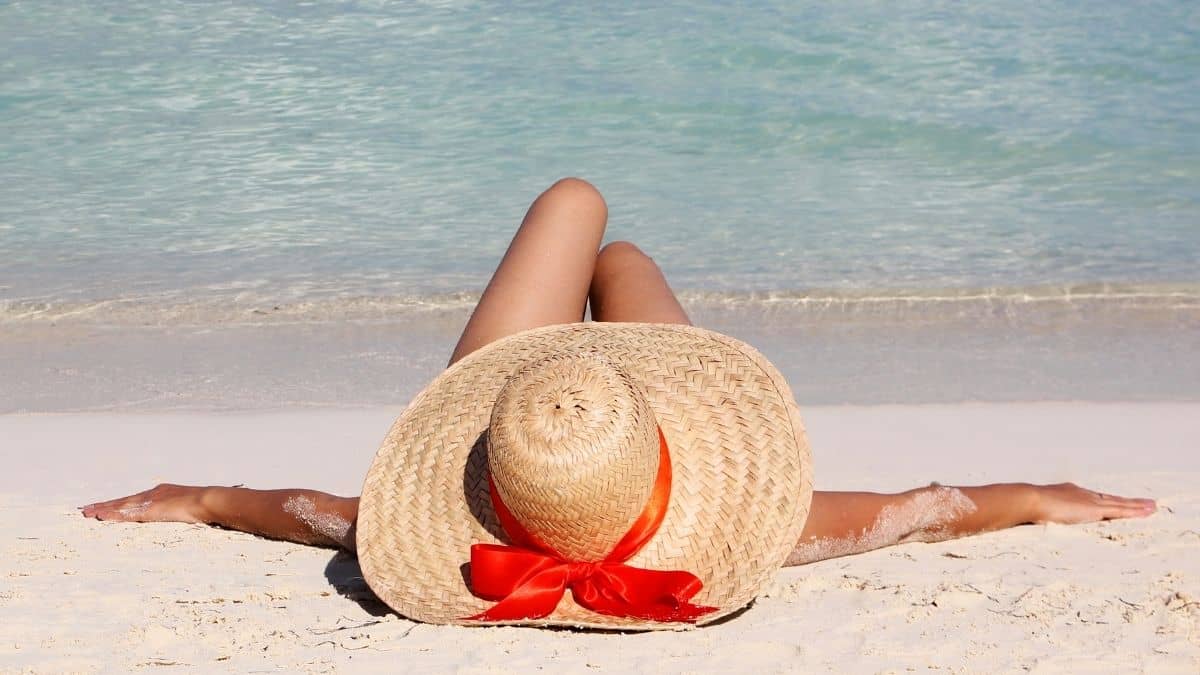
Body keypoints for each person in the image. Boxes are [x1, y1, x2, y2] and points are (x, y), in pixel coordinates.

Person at [81, 177, 1156, 575]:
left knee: (575, 205)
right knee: (611, 246)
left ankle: (601, 277)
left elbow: (299, 512)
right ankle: (613, 279)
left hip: (526, 430)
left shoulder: (466, 523)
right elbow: (925, 512)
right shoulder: (758, 526)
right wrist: (1032, 498)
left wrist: (202, 499)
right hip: (637, 429)